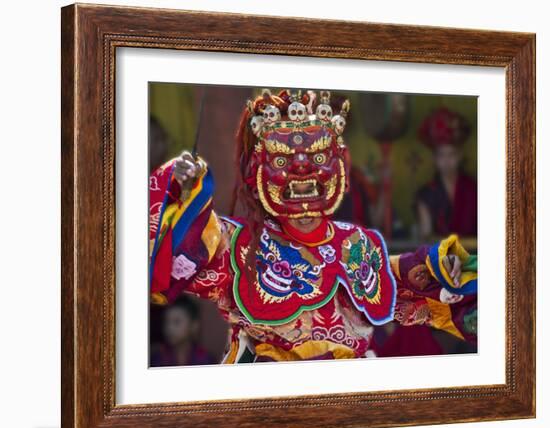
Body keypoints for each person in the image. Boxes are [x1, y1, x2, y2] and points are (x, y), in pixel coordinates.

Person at [149, 89, 477, 363]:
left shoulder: (357, 241)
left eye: (319, 159)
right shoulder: (241, 244)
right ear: (258, 173)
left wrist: (442, 268)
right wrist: (179, 189)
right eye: (282, 161)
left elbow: (395, 284)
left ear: (339, 165)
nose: (303, 171)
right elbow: (175, 252)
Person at [416, 107, 477, 239]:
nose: (447, 161)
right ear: (435, 159)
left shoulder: (474, 189)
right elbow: (426, 235)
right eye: (441, 156)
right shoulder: (426, 194)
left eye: (452, 155)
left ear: (460, 156)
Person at [150, 295, 214, 366]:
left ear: (194, 325)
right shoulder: (157, 358)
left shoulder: (205, 360)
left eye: (177, 322)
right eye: (167, 321)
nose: (169, 328)